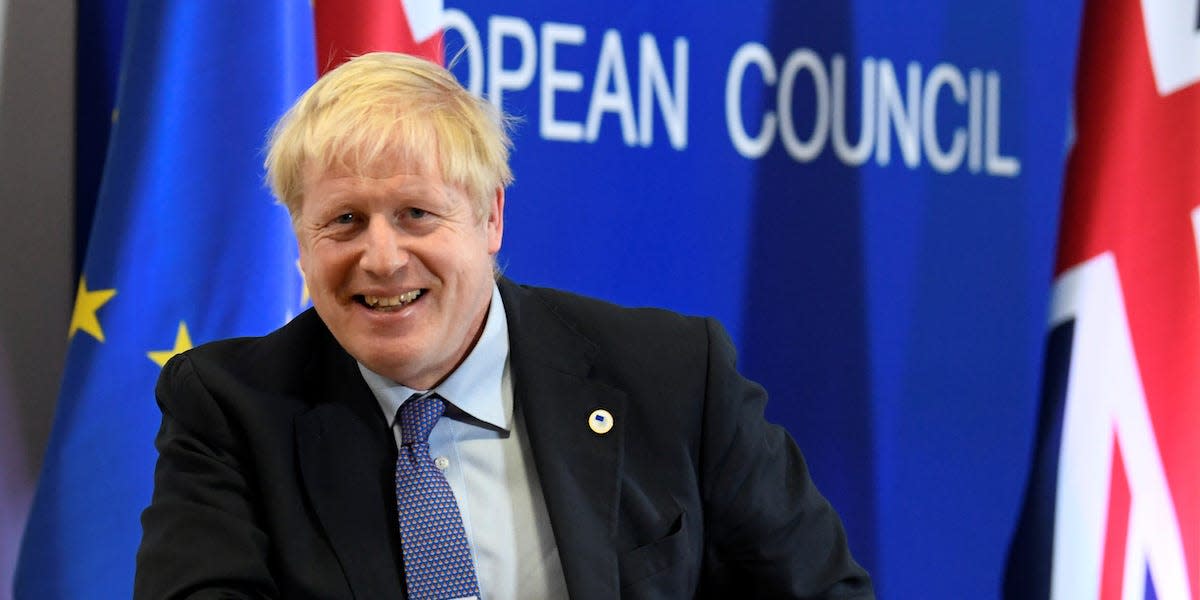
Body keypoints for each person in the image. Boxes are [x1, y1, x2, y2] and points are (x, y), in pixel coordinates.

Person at [134, 52, 874, 599]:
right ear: (299, 243)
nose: (382, 258)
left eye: (416, 214)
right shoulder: (231, 408)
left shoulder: (674, 374)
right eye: (344, 222)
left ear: (490, 217)